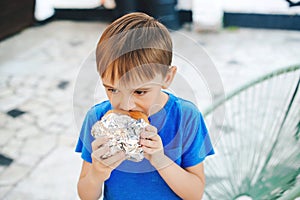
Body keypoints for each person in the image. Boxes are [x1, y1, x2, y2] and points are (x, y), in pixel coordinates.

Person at [75, 12, 214, 200]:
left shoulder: (186, 117)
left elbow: (195, 193)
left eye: (140, 92)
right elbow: (86, 195)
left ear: (167, 77)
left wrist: (160, 159)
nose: (125, 104)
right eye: (112, 89)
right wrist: (97, 174)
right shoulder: (97, 118)